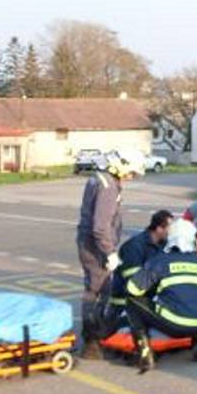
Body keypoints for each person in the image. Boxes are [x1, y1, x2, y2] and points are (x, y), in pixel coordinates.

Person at [76, 148, 146, 359]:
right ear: (122, 165)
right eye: (131, 172)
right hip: (96, 248)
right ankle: (91, 342)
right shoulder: (108, 187)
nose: (130, 177)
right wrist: (109, 252)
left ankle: (92, 337)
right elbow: (100, 226)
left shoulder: (99, 178)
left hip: (89, 243)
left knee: (94, 289)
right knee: (99, 292)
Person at [125, 219, 197, 373]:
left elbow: (133, 289)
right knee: (196, 302)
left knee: (132, 302)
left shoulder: (160, 261)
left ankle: (145, 354)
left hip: (176, 324)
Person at [107, 209, 174, 329]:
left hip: (144, 300)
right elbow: (134, 282)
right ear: (159, 228)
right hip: (125, 305)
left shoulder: (164, 245)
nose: (172, 232)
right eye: (169, 228)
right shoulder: (134, 246)